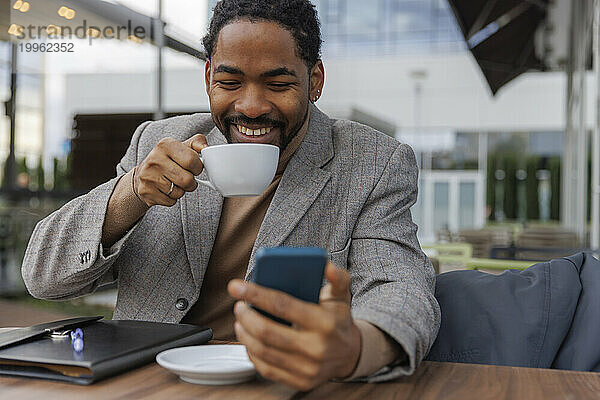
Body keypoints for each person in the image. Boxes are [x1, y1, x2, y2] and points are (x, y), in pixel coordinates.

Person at [22, 0, 440, 390]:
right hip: (146, 383)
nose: (252, 106)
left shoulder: (372, 162)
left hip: (280, 387)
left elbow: (400, 287)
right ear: (208, 79)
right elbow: (43, 277)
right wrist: (129, 194)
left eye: (277, 84)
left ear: (314, 81)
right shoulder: (158, 142)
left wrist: (356, 348)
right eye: (229, 81)